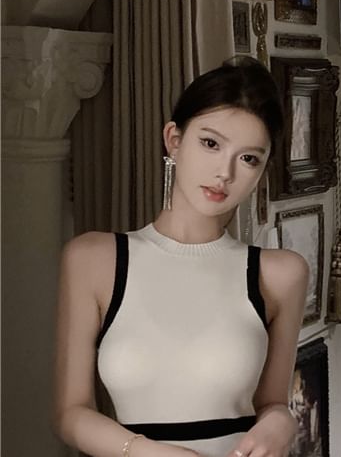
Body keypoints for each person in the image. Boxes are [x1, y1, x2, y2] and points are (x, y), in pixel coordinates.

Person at [53, 56, 310, 457]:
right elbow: (71, 414)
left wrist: (282, 420)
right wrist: (150, 454)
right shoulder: (93, 259)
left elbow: (272, 403)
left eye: (249, 158)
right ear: (174, 139)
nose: (225, 172)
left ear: (261, 170)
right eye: (211, 143)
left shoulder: (281, 274)